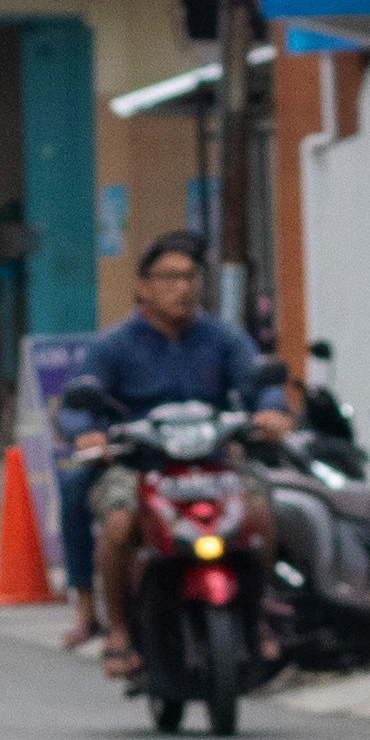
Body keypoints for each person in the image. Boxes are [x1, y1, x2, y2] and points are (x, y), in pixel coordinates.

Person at [49, 230, 287, 664]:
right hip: (140, 465)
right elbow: (76, 404)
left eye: (191, 277)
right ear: (143, 286)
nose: (183, 287)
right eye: (171, 277)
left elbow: (260, 384)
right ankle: (115, 625)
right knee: (118, 523)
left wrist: (272, 411)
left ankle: (257, 613)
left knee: (259, 512)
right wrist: (87, 432)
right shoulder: (113, 345)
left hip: (213, 463)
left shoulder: (223, 338)